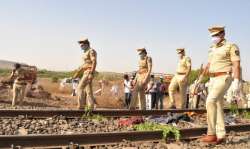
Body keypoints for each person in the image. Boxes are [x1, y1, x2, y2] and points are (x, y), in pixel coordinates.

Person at [195, 26, 241, 144]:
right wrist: (201, 77)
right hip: (212, 78)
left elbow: (236, 63)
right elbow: (209, 64)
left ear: (223, 34)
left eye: (216, 35)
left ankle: (211, 134)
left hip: (224, 77)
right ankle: (221, 135)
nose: (214, 38)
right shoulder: (212, 48)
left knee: (210, 101)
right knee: (218, 105)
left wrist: (236, 80)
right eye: (212, 36)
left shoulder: (231, 46)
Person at [72, 38, 97, 110]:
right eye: (80, 45)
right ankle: (90, 108)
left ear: (87, 44)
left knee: (80, 88)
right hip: (86, 72)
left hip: (88, 72)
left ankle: (81, 106)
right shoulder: (85, 52)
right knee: (88, 91)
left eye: (82, 45)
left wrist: (91, 73)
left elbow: (94, 62)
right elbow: (84, 65)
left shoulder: (91, 51)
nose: (81, 47)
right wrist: (76, 74)